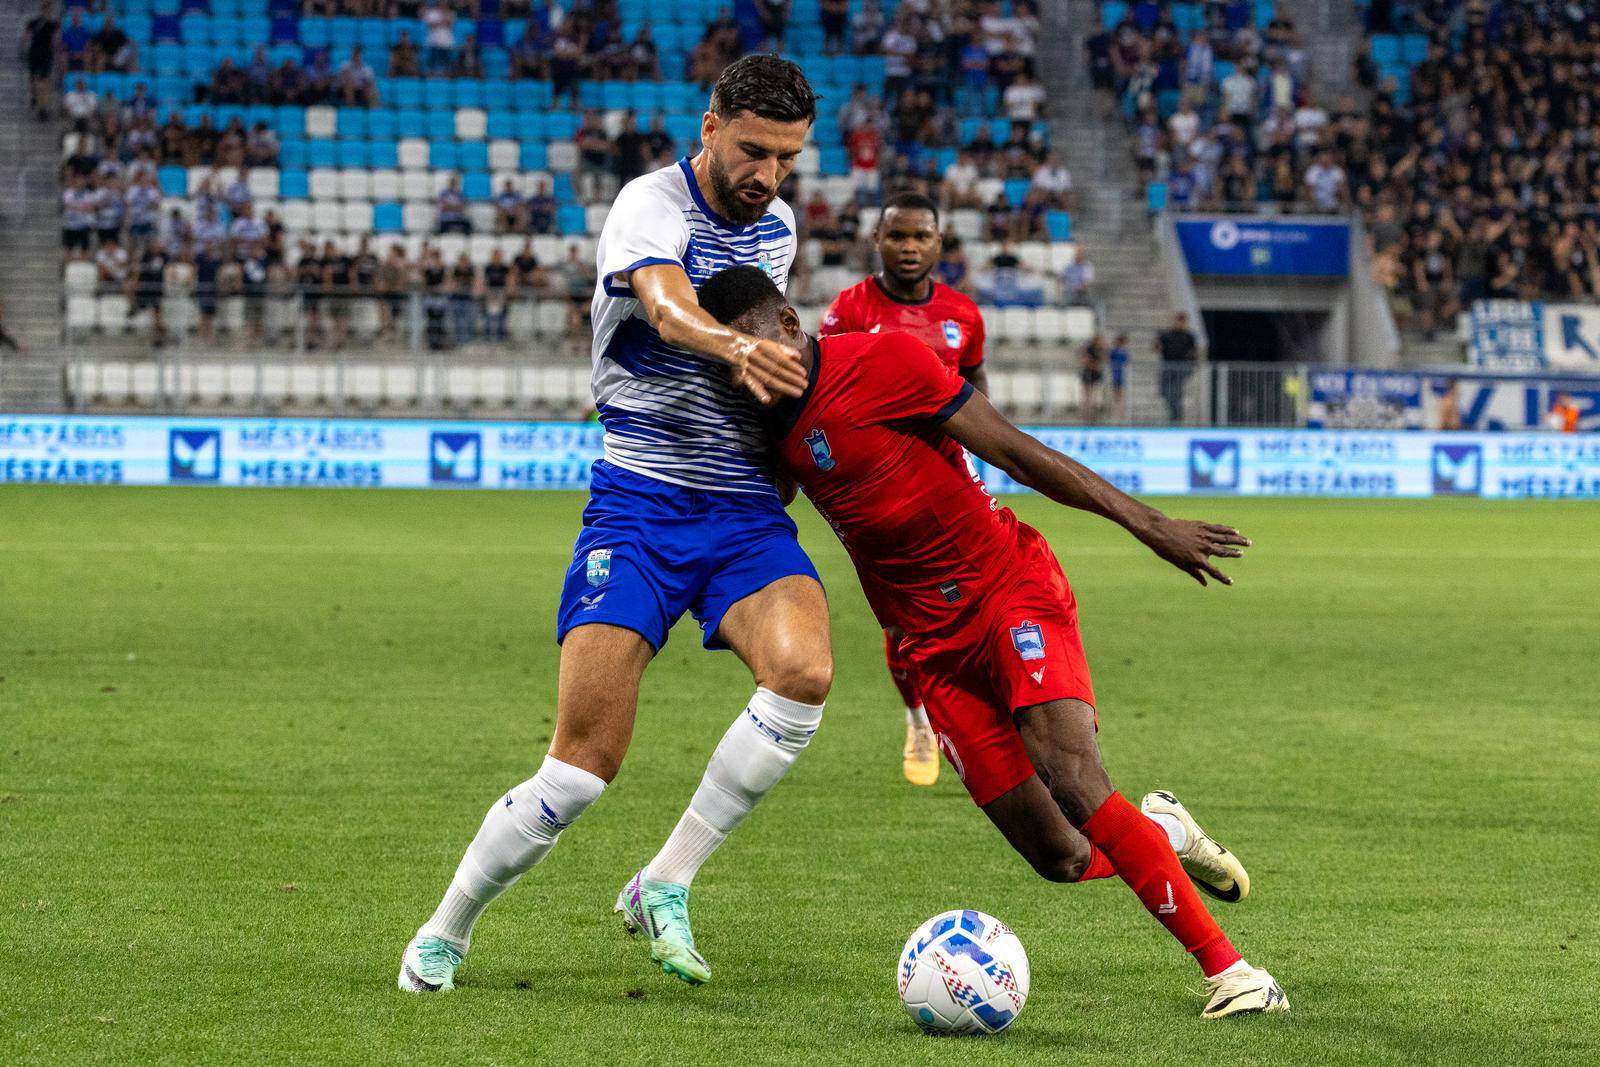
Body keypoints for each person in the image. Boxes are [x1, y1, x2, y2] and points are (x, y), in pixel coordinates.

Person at [695, 264, 1289, 1021]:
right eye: (727, 362)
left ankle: (1236, 973)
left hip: (1009, 590)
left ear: (786, 325)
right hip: (932, 648)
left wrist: (1149, 524)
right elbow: (766, 499)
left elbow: (1017, 451)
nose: (743, 371)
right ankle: (1162, 829)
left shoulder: (884, 361)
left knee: (1075, 779)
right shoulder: (763, 419)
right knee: (1061, 855)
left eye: (746, 350)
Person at [399, 55, 831, 995]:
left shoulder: (780, 226)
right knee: (582, 769)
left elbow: (754, 346)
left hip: (743, 511)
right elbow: (673, 312)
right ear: (710, 124)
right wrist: (741, 348)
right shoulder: (650, 204)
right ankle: (448, 924)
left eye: (787, 160)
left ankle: (665, 879)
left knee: (805, 675)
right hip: (639, 502)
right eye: (753, 151)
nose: (767, 177)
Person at [818, 190, 988, 788]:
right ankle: (919, 719)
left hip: (949, 483)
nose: (909, 247)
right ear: (878, 242)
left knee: (979, 597)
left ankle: (980, 712)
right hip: (877, 491)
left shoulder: (963, 315)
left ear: (940, 243)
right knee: (901, 622)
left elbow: (974, 385)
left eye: (920, 236)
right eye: (898, 236)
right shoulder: (850, 310)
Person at [1157, 312, 1198, 423]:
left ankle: (1177, 415)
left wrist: (1191, 365)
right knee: (1164, 391)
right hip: (1167, 365)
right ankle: (1174, 412)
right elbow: (1157, 347)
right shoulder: (1166, 334)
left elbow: (1194, 352)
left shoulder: (1189, 336)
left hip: (1181, 367)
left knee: (1176, 391)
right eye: (1180, 321)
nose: (1181, 324)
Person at [1109, 333, 1130, 421]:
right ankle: (1116, 414)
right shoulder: (1115, 351)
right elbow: (1110, 360)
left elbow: (1126, 361)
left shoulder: (1123, 352)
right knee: (1115, 396)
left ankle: (1121, 414)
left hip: (1121, 375)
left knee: (1121, 396)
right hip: (1116, 375)